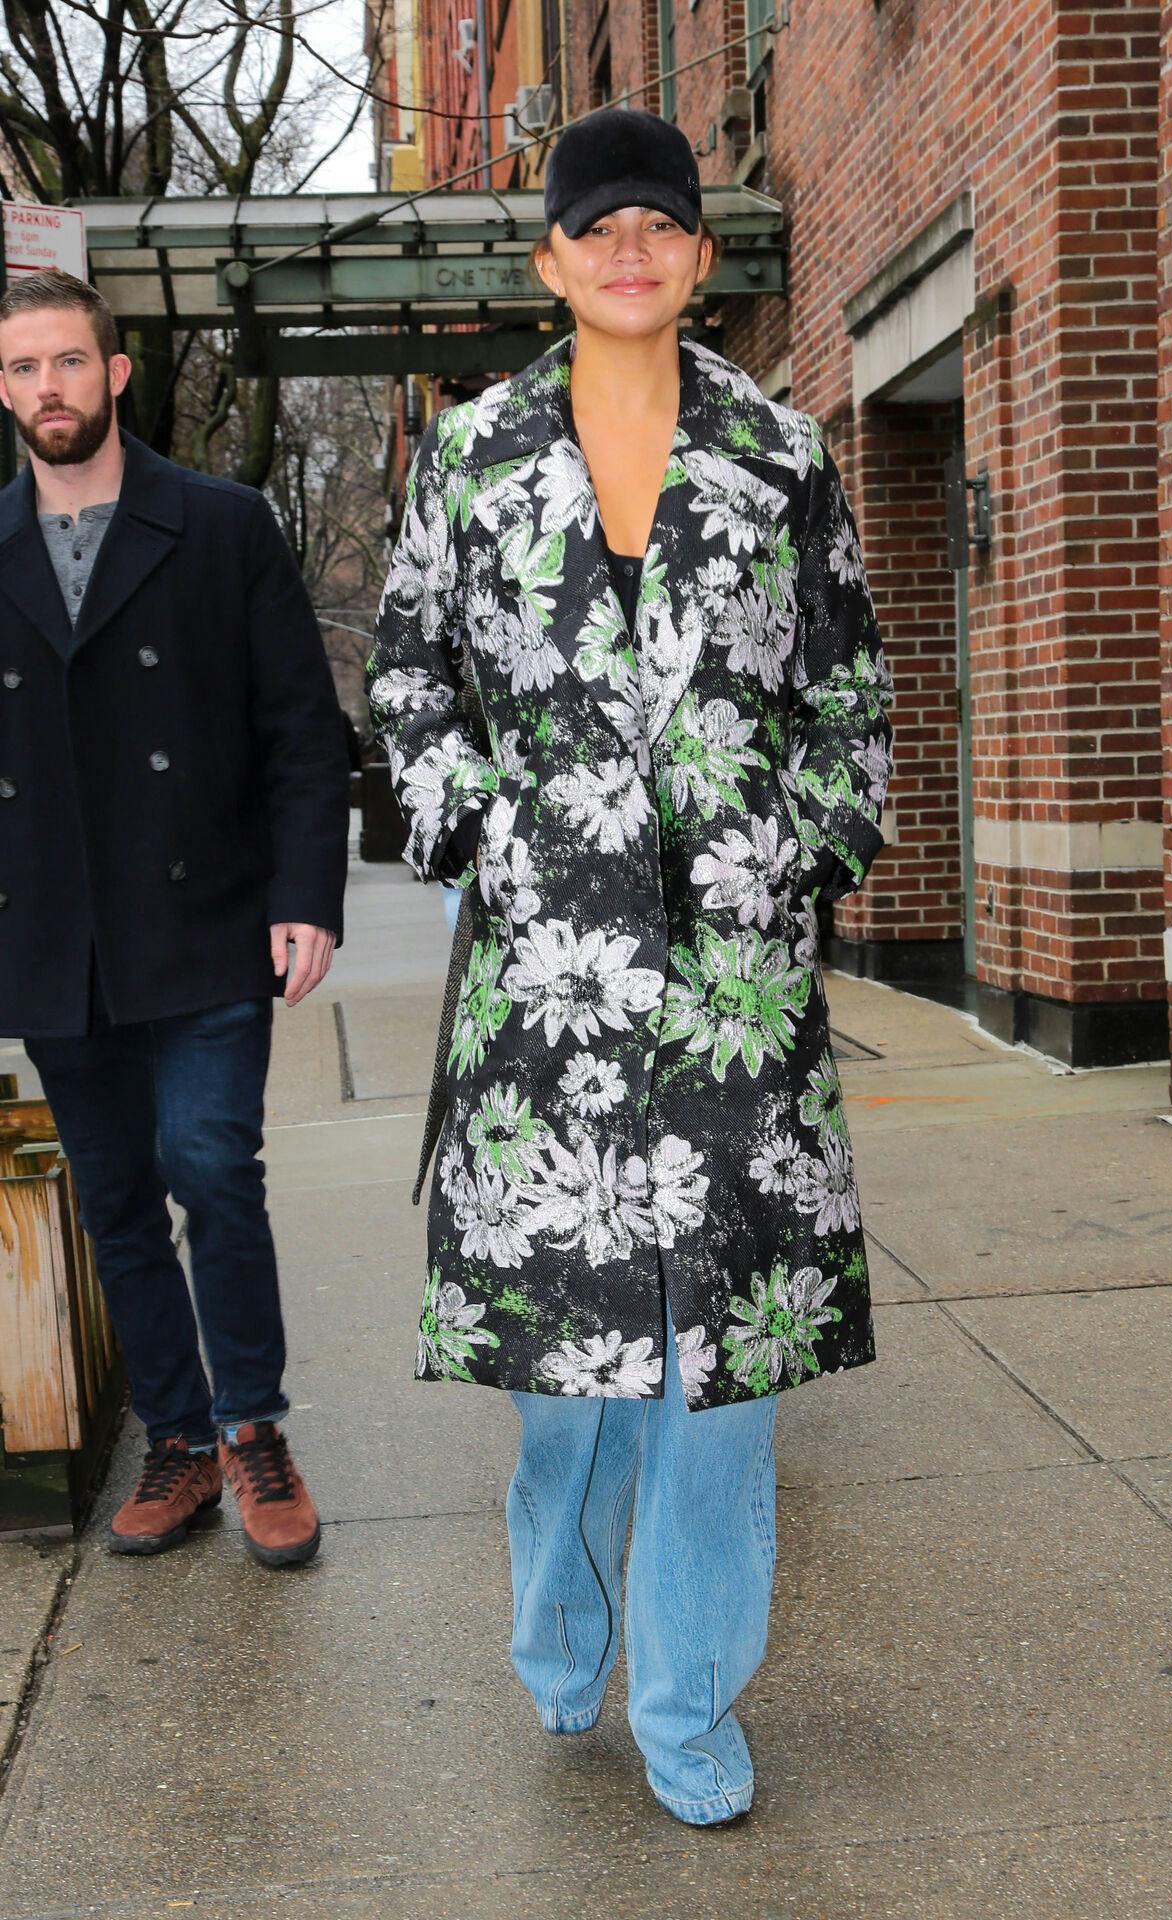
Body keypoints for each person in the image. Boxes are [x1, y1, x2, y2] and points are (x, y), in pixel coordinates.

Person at [367, 108, 893, 1823]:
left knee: (718, 1381)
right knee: (572, 1391)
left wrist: (791, 853)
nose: (632, 250)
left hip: (738, 1000)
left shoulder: (783, 454)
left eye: (661, 222)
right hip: (549, 1006)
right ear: (551, 260)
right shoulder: (468, 461)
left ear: (700, 255)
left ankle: (684, 1710)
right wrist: (491, 837)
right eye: (600, 227)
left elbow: (849, 698)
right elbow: (412, 691)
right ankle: (559, 1629)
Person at [0, 269, 349, 1567]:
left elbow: (303, 731)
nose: (51, 388)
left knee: (211, 1166)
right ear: (4, 387)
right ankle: (181, 1441)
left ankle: (255, 1427)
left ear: (116, 372)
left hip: (203, 917)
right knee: (116, 1202)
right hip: (51, 937)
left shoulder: (218, 524)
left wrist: (306, 893)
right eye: (25, 368)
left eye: (70, 364)